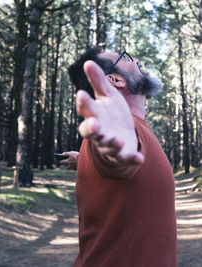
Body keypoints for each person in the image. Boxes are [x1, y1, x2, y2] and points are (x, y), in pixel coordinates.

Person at [66, 47, 177, 266]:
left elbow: (126, 177)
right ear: (116, 79)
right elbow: (117, 158)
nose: (136, 59)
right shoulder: (119, 133)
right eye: (125, 57)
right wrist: (111, 156)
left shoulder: (135, 131)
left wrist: (82, 160)